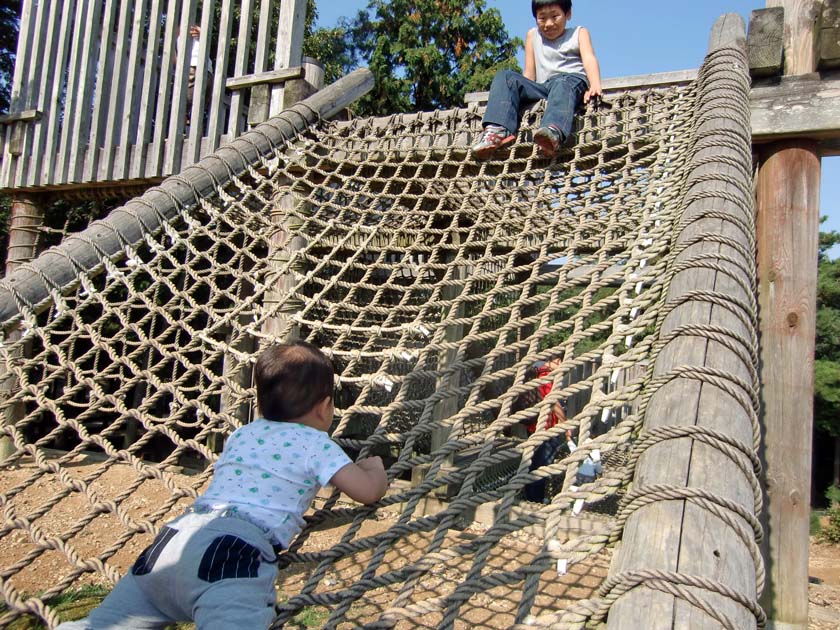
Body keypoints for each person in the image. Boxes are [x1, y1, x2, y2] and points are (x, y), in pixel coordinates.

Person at [57, 341, 389, 630]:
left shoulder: (243, 434)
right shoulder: (316, 443)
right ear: (325, 407)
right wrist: (373, 467)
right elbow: (367, 491)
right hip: (232, 553)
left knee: (104, 624)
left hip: (172, 542)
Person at [471, 0, 602, 159]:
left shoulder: (579, 33)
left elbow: (589, 59)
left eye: (555, 16)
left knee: (562, 84)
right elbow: (529, 75)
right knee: (505, 76)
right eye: (542, 18)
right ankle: (498, 130)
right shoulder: (533, 35)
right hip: (544, 86)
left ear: (568, 14)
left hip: (571, 81)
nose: (548, 23)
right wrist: (519, 94)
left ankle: (553, 131)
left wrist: (595, 84)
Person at [512, 359, 568, 503]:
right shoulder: (545, 376)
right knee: (540, 466)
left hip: (536, 427)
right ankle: (534, 499)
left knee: (537, 463)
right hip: (544, 430)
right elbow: (553, 402)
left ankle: (533, 496)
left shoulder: (537, 373)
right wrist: (567, 426)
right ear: (557, 360)